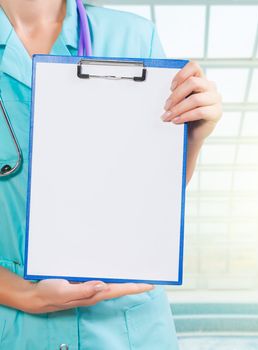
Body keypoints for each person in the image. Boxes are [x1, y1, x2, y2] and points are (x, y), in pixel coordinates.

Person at [0, 0, 222, 348]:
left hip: (126, 327)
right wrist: (27, 296)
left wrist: (194, 136)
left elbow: (150, 195)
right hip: (17, 327)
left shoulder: (132, 37)